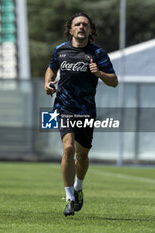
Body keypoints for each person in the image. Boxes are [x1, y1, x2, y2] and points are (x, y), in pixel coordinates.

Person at [44, 12, 118, 216]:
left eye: (85, 24)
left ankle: (78, 187)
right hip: (64, 107)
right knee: (68, 148)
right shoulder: (60, 50)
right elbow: (51, 69)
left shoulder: (98, 53)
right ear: (70, 30)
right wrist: (48, 84)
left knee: (82, 154)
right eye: (77, 24)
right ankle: (69, 198)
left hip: (86, 110)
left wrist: (99, 74)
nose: (81, 27)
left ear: (91, 29)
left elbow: (114, 81)